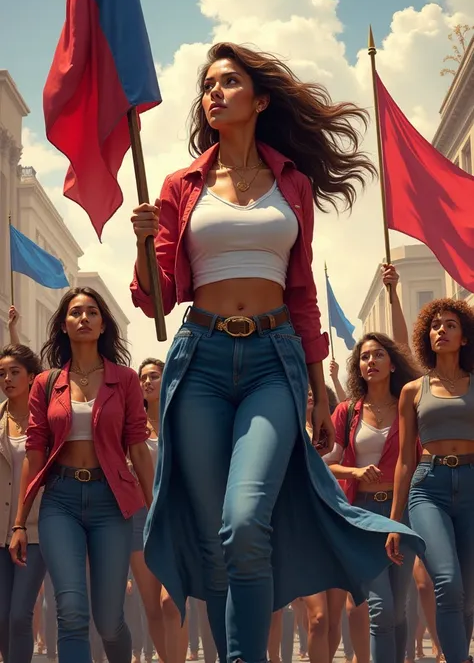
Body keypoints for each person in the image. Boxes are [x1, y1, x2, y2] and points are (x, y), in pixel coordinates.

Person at [130, 41, 423, 663]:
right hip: (200, 360)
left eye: (229, 82)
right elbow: (155, 300)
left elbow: (301, 295)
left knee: (244, 524)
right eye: (208, 85)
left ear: (260, 100)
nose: (214, 93)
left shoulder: (290, 181)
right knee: (219, 545)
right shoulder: (181, 186)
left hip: (274, 359)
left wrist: (320, 389)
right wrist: (144, 243)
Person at [8, 287, 155, 663]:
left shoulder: (123, 379)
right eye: (75, 313)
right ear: (63, 325)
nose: (84, 318)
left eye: (92, 312)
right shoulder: (45, 383)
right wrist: (21, 522)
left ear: (103, 324)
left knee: (108, 621)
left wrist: (155, 509)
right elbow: (35, 451)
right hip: (60, 502)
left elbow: (138, 447)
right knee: (71, 612)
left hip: (112, 502)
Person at [326, 265, 421, 663]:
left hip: (403, 514)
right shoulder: (347, 412)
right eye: (364, 356)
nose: (371, 361)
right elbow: (324, 463)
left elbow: (408, 346)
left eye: (379, 354)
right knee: (381, 611)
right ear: (358, 367)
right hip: (361, 516)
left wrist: (394, 294)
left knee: (398, 611)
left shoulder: (409, 404)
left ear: (391, 363)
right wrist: (351, 471)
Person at [387, 298, 474, 663]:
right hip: (428, 488)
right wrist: (392, 521)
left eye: (451, 324)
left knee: (468, 594)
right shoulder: (412, 391)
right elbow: (405, 459)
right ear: (428, 337)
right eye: (436, 325)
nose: (442, 329)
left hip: (472, 485)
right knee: (448, 583)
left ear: (464, 337)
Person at [135, 357, 187, 663]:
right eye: (143, 377)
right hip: (137, 521)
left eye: (154, 376)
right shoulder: (131, 425)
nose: (147, 382)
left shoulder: (179, 420)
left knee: (172, 602)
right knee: (153, 607)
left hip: (174, 519)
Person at [0, 344, 45, 663]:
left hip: (35, 530)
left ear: (32, 377)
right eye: (2, 373)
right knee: (1, 617)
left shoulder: (47, 421)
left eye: (15, 372)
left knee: (19, 615)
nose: (7, 378)